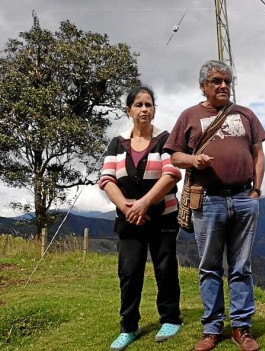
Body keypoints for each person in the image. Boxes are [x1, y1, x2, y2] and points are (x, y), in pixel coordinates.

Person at [165, 60, 265, 351]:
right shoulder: (190, 116)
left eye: (227, 81)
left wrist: (257, 191)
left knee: (241, 266)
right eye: (216, 81)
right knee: (210, 266)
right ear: (203, 86)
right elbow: (173, 155)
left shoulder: (246, 115)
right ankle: (212, 329)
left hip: (244, 198)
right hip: (207, 199)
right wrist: (192, 160)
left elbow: (258, 154)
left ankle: (241, 328)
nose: (223, 85)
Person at [99, 86, 183, 351]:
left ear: (154, 109)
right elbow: (107, 179)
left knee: (165, 269)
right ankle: (129, 326)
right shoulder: (118, 143)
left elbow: (171, 175)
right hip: (129, 220)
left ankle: (170, 318)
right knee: (129, 271)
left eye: (149, 104)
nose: (144, 109)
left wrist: (144, 204)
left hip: (163, 217)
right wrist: (127, 208)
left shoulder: (165, 140)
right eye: (138, 105)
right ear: (129, 111)